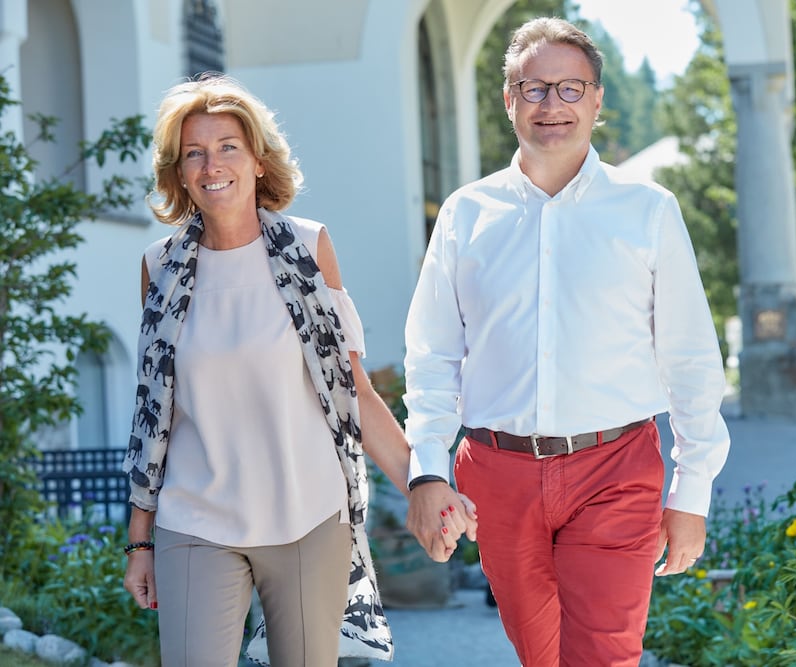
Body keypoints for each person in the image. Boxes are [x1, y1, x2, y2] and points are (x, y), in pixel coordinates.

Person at [403, 17, 730, 666]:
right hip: (497, 474)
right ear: (509, 100)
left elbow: (690, 357)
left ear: (597, 99)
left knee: (604, 655)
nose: (552, 104)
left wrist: (691, 494)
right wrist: (428, 471)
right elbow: (432, 356)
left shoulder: (648, 210)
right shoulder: (466, 214)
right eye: (534, 88)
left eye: (570, 88)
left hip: (615, 468)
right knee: (541, 655)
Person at [119, 74, 455, 666]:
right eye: (194, 153)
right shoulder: (159, 268)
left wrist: (424, 485)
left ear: (257, 160)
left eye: (228, 147)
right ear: (179, 172)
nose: (211, 165)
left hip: (308, 516)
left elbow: (352, 392)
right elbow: (154, 415)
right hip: (195, 518)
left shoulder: (307, 249)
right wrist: (140, 541)